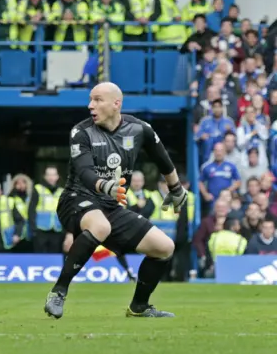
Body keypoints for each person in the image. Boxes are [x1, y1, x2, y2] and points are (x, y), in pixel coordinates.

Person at [44, 82, 188, 319]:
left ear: (116, 104)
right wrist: (105, 186)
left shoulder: (140, 129)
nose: (91, 105)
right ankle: (58, 292)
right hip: (76, 199)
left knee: (164, 248)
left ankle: (139, 307)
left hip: (110, 207)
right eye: (90, 99)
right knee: (100, 226)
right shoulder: (81, 132)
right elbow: (84, 171)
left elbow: (163, 160)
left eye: (98, 100)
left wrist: (175, 188)